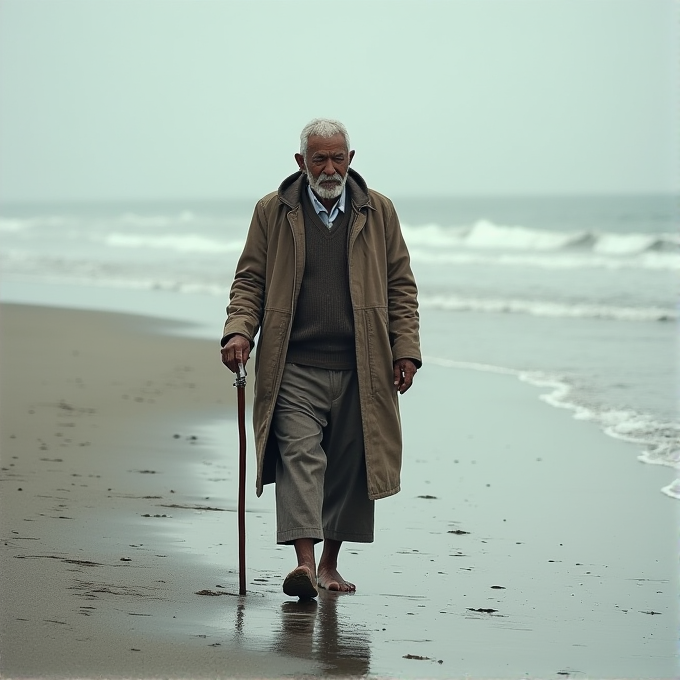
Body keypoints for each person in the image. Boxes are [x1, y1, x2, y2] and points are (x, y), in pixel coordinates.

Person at [220, 118, 421, 599]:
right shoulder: (273, 211)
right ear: (301, 162)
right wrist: (238, 330)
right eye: (319, 159)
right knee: (299, 460)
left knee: (351, 469)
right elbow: (249, 280)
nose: (329, 168)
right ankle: (304, 566)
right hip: (294, 364)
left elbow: (401, 286)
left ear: (351, 159)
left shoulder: (379, 211)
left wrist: (406, 349)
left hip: (362, 365)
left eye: (337, 158)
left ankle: (330, 564)